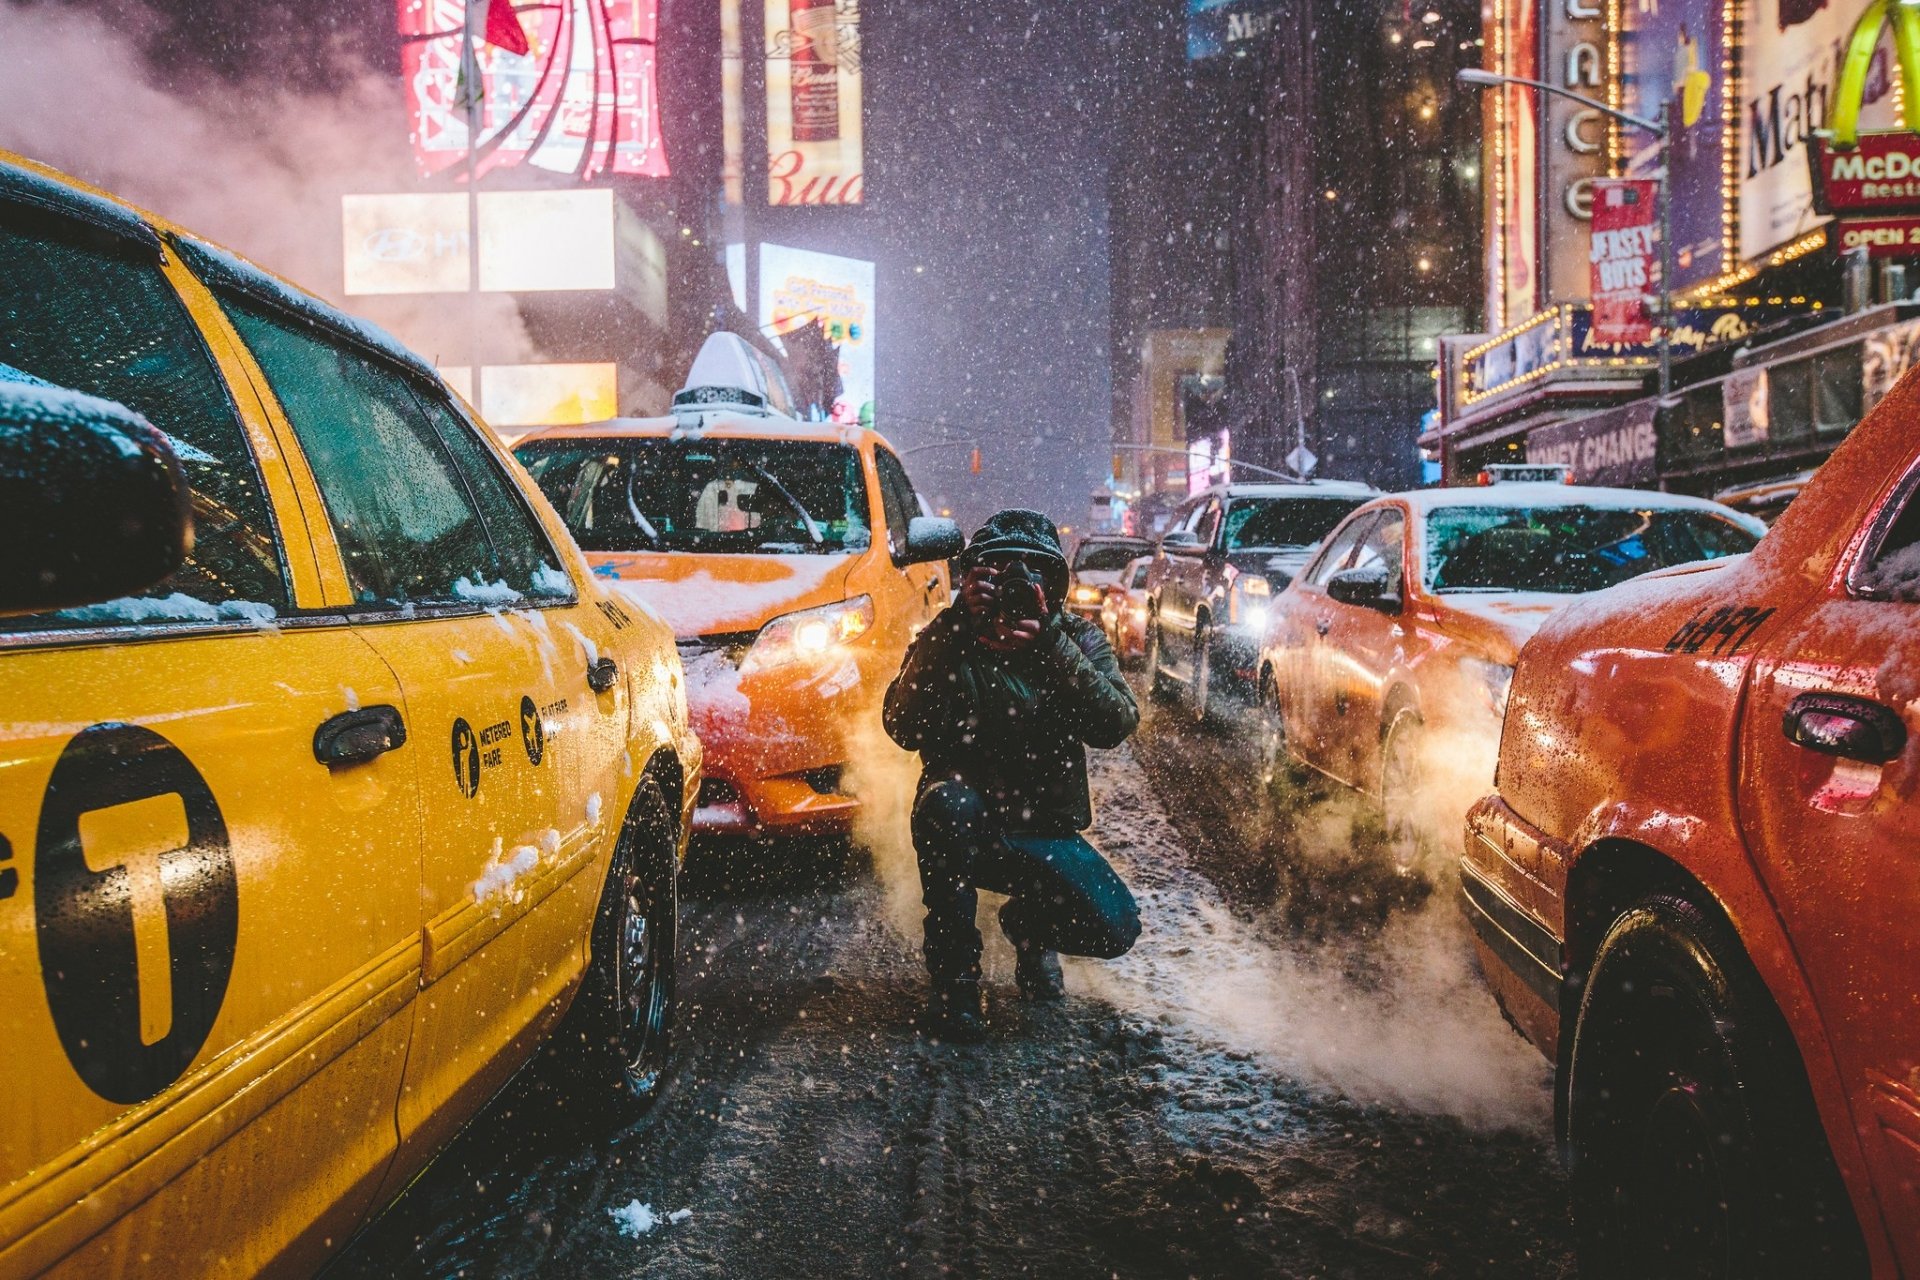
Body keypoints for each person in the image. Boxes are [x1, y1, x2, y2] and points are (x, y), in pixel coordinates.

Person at [883, 509, 1143, 1042]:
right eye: (1000, 571)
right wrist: (954, 627)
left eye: (1032, 573)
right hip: (963, 828)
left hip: (1041, 831)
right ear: (976, 577)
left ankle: (1029, 930)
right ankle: (956, 985)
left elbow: (1116, 723)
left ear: (1053, 586)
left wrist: (1049, 646)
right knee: (948, 806)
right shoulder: (948, 637)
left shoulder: (1072, 639)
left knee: (1116, 926)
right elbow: (900, 726)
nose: (1016, 585)